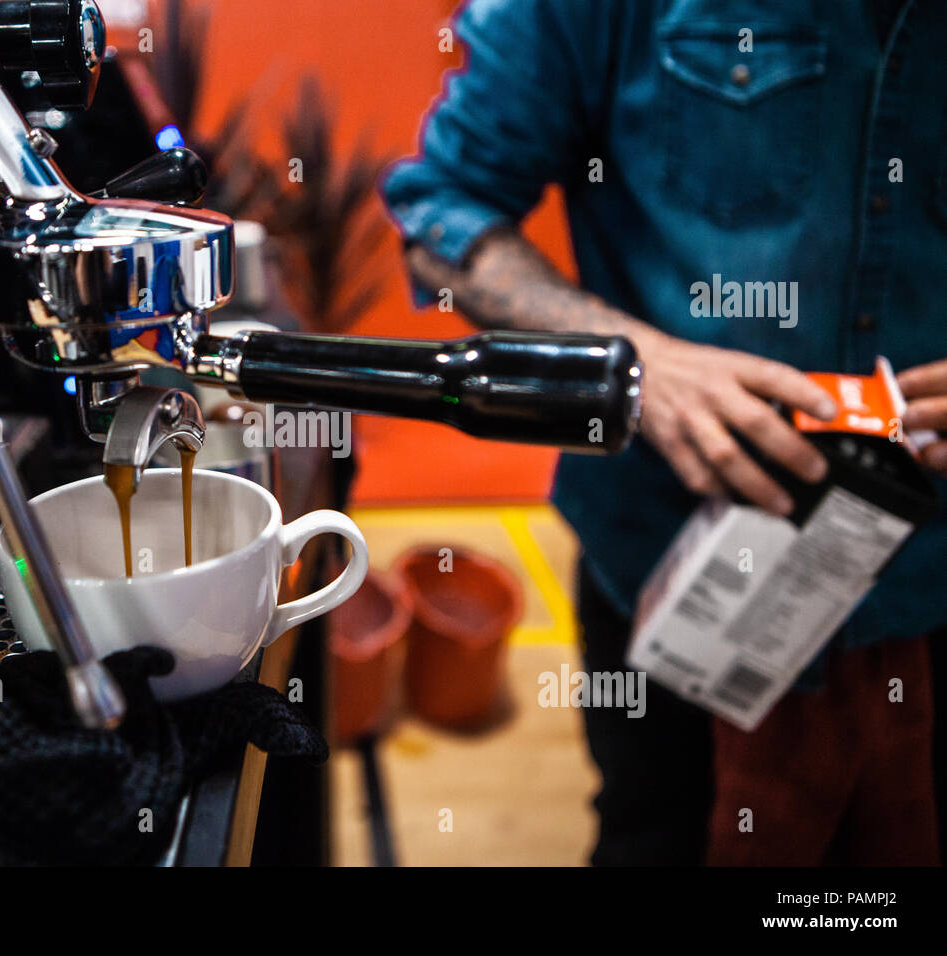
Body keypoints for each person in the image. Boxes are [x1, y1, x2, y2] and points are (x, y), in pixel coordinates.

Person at [383, 0, 946, 865]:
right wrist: (641, 364)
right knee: (658, 836)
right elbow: (443, 210)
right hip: (670, 561)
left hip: (929, 579)